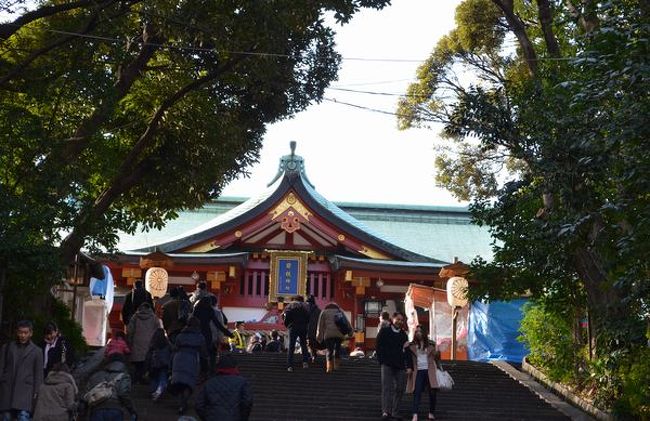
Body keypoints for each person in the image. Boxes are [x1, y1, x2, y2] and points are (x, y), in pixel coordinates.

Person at [0, 320, 44, 421]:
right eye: (20, 332)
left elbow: (39, 375)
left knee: (23, 417)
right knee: (6, 417)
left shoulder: (37, 351)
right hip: (7, 391)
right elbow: (1, 367)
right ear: (17, 332)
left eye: (25, 333)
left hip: (25, 393)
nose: (23, 335)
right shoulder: (7, 348)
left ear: (31, 333)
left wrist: (37, 393)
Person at [195, 354, 253, 421]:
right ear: (235, 367)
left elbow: (199, 405)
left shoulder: (209, 383)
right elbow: (247, 402)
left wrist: (207, 417)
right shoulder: (242, 382)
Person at [169, 317, 208, 415]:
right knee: (188, 382)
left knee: (178, 382)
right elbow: (204, 352)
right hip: (192, 359)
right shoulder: (200, 336)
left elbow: (175, 348)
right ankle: (183, 403)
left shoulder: (180, 335)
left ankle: (180, 403)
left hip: (179, 358)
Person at [376, 311, 410, 421]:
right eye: (398, 319)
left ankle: (395, 411)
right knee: (386, 387)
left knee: (400, 387)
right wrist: (381, 360)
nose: (400, 322)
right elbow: (378, 346)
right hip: (387, 363)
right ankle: (386, 411)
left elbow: (407, 350)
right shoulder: (384, 331)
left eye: (401, 320)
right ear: (393, 319)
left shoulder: (404, 335)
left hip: (400, 364)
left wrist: (409, 366)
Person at [83, 354, 137, 421]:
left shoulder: (96, 375)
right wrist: (131, 410)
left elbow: (86, 393)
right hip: (115, 409)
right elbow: (123, 393)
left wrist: (84, 411)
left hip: (97, 408)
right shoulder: (124, 376)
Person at [406, 327, 439, 421]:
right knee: (417, 392)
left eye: (420, 331)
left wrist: (437, 354)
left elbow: (437, 358)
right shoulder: (411, 345)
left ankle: (431, 413)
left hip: (430, 370)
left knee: (433, 392)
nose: (418, 333)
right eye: (416, 331)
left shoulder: (431, 344)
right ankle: (415, 414)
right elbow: (406, 356)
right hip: (418, 371)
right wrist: (404, 347)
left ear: (424, 333)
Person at [192, 295, 233, 372]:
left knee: (201, 356)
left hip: (200, 337)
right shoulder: (217, 312)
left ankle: (202, 373)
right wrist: (221, 338)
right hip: (212, 338)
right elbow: (219, 325)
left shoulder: (197, 310)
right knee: (212, 357)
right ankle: (211, 372)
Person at [127, 302, 161, 384]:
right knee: (146, 361)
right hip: (149, 342)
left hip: (137, 341)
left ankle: (136, 379)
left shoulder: (135, 317)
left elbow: (130, 330)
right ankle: (143, 379)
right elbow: (158, 330)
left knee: (137, 363)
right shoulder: (154, 317)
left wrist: (129, 341)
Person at [316, 302, 347, 373]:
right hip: (339, 334)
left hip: (328, 334)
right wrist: (350, 332)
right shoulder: (340, 311)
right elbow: (346, 322)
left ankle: (329, 367)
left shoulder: (324, 312)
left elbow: (320, 325)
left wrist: (319, 336)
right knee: (338, 349)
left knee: (329, 350)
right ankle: (337, 366)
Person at [282, 295, 310, 372]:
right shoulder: (305, 307)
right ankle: (305, 362)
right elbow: (308, 317)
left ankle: (290, 365)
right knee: (303, 344)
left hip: (293, 327)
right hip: (303, 327)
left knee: (291, 346)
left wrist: (287, 325)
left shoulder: (290, 306)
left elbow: (286, 317)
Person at [146, 328, 172, 401]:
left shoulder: (152, 345)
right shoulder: (167, 344)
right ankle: (159, 391)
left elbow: (148, 356)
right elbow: (172, 351)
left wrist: (147, 365)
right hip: (164, 364)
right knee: (163, 378)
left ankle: (153, 391)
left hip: (154, 364)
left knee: (154, 379)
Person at [305, 295, 322, 362]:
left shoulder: (304, 309)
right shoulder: (319, 311)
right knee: (313, 343)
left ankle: (308, 357)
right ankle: (313, 356)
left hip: (306, 330)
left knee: (306, 343)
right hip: (315, 331)